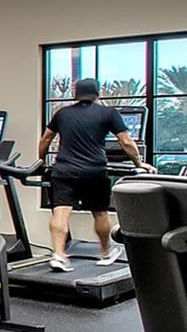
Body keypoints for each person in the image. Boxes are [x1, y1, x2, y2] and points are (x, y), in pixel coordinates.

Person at [37, 78, 150, 272]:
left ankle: (59, 255)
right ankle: (105, 253)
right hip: (94, 171)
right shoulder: (108, 113)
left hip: (64, 170)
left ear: (76, 94)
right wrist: (139, 163)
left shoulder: (62, 113)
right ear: (98, 94)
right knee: (100, 212)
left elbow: (46, 138)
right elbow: (126, 142)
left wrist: (41, 160)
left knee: (60, 211)